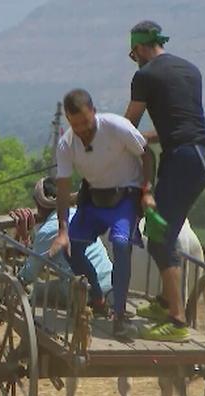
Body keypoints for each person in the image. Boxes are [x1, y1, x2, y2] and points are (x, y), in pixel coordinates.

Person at [124, 21, 205, 342]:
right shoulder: (190, 70)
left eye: (132, 52)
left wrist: (106, 144)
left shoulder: (145, 75)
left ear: (138, 48)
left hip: (182, 160)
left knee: (158, 235)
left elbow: (128, 126)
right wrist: (146, 139)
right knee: (169, 229)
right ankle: (166, 302)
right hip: (204, 155)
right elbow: (176, 125)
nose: (134, 57)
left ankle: (177, 320)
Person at [49, 88, 155, 338]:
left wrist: (147, 190)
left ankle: (119, 316)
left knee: (120, 243)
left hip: (125, 198)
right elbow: (63, 190)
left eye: (85, 123)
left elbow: (147, 155)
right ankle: (97, 297)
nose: (82, 130)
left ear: (94, 113)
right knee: (70, 247)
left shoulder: (117, 127)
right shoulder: (67, 144)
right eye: (75, 125)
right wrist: (63, 231)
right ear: (68, 121)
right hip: (94, 199)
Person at [17, 178, 113, 310]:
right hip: (110, 282)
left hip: (84, 294)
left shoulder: (47, 231)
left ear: (39, 204)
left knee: (37, 290)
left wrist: (18, 278)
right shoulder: (79, 215)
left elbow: (29, 273)